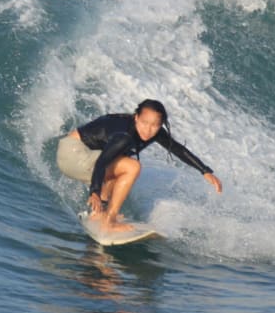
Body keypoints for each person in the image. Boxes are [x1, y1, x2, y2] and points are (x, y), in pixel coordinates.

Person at [57, 99, 222, 231]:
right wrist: (94, 192)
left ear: (161, 124)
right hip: (73, 153)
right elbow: (101, 163)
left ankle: (99, 214)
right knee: (132, 166)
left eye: (155, 125)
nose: (148, 130)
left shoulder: (153, 133)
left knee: (121, 163)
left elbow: (178, 149)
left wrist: (205, 171)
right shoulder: (124, 136)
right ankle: (109, 221)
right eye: (144, 123)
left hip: (79, 154)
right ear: (136, 117)